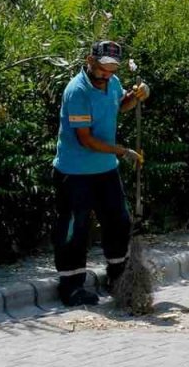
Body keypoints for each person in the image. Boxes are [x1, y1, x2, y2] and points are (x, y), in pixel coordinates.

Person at [51, 41, 150, 307]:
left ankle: (118, 275)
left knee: (119, 220)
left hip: (105, 170)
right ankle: (71, 286)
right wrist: (122, 150)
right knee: (75, 227)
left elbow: (120, 105)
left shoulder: (114, 82)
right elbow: (86, 140)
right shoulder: (77, 92)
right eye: (103, 68)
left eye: (112, 69)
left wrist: (136, 97)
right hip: (75, 172)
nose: (106, 73)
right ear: (90, 61)